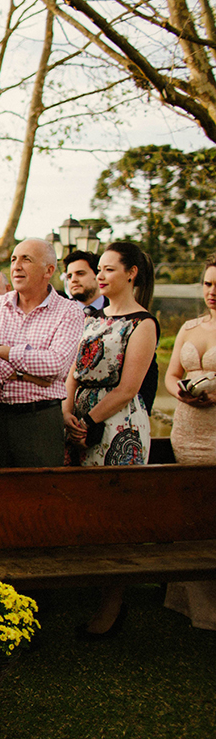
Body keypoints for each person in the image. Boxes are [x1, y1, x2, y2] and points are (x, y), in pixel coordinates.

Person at [63, 241, 157, 638]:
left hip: (119, 426)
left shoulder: (143, 324)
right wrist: (67, 413)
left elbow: (129, 386)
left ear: (131, 273)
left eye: (108, 269)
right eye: (98, 269)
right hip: (78, 419)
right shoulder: (89, 317)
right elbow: (71, 369)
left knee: (115, 515)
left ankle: (112, 604)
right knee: (82, 510)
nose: (99, 276)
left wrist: (88, 420)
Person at [0, 239, 84, 467]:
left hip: (40, 421)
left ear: (49, 270)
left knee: (39, 495)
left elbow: (56, 365)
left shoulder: (69, 311)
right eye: (14, 259)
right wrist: (23, 374)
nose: (16, 266)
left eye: (26, 259)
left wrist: (7, 352)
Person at [163, 256, 216, 630]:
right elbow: (171, 374)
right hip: (187, 428)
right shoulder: (189, 326)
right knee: (191, 510)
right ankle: (192, 604)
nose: (212, 293)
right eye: (208, 285)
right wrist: (180, 395)